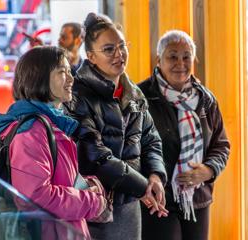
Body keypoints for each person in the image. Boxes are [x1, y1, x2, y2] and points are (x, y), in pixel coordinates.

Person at [64, 12, 168, 240]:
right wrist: (142, 186)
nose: (119, 54)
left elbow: (151, 140)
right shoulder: (78, 95)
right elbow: (95, 156)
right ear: (91, 56)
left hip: (130, 204)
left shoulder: (134, 93)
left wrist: (156, 176)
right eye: (109, 49)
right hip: (96, 206)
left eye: (122, 46)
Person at [0, 46, 108, 239]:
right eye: (62, 72)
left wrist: (86, 184)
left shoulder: (50, 124)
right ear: (40, 78)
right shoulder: (32, 131)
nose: (71, 79)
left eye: (70, 71)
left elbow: (55, 180)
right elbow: (34, 196)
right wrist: (92, 202)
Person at [138, 30, 230, 240]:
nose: (180, 63)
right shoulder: (141, 97)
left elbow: (221, 144)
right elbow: (133, 147)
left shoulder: (206, 99)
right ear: (158, 59)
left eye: (186, 56)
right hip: (158, 200)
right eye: (172, 56)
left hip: (197, 198)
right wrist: (147, 181)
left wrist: (209, 170)